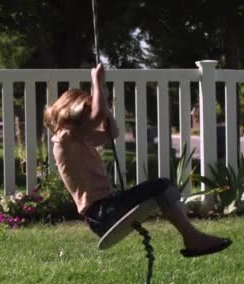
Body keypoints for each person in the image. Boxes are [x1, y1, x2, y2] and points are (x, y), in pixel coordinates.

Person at [44, 64, 231, 257]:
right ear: (71, 112)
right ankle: (194, 239)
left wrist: (105, 109)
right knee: (161, 186)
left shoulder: (78, 138)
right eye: (85, 114)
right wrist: (97, 83)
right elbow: (97, 115)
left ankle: (193, 238)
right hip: (102, 213)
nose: (90, 120)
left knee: (163, 188)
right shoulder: (65, 137)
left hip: (105, 210)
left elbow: (112, 133)